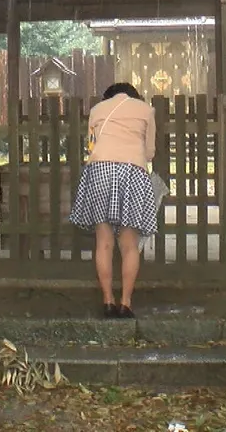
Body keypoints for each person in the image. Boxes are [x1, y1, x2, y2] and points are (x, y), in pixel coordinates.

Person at [68, 82, 158, 319]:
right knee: (129, 245)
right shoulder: (146, 110)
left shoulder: (97, 110)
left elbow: (91, 145)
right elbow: (149, 152)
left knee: (104, 242)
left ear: (107, 97)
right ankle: (126, 302)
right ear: (134, 96)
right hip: (133, 172)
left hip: (100, 171)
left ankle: (107, 301)